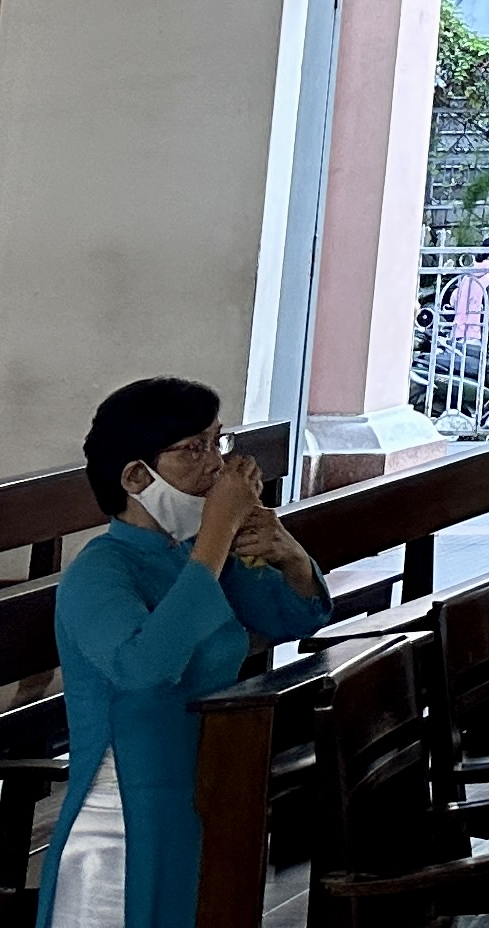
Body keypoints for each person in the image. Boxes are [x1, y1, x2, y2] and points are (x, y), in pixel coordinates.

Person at [43, 378, 329, 928]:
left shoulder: (192, 555)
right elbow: (144, 669)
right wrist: (218, 530)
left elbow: (292, 618)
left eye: (217, 442)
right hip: (127, 810)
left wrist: (291, 557)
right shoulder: (100, 571)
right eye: (194, 448)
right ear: (135, 477)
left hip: (208, 786)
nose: (216, 465)